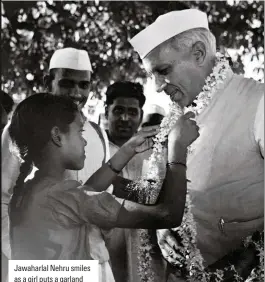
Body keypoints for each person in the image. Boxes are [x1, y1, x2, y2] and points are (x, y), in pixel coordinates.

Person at [129, 8, 264, 279]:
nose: (156, 87)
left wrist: (254, 253)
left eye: (163, 70)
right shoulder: (174, 117)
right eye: (151, 74)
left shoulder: (257, 102)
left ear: (199, 54)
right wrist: (162, 226)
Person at [8, 93, 199, 282]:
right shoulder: (70, 197)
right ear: (57, 136)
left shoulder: (29, 191)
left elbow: (86, 192)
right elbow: (167, 215)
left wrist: (128, 148)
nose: (84, 141)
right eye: (80, 132)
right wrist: (177, 148)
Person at [1, 48, 109, 266]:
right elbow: (2, 196)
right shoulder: (20, 129)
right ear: (47, 81)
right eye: (67, 83)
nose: (77, 93)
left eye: (84, 85)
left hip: (93, 260)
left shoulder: (98, 134)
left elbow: (102, 198)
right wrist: (16, 253)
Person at [104, 81, 167, 282]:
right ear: (107, 111)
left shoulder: (154, 153)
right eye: (118, 110)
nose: (125, 118)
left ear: (140, 115)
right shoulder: (93, 147)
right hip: (106, 245)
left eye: (132, 112)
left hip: (146, 247)